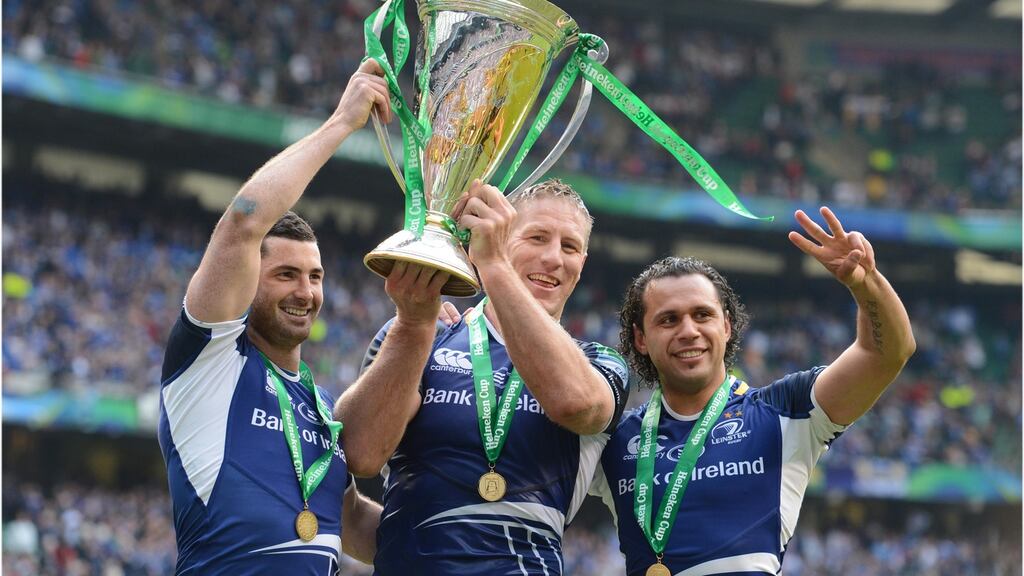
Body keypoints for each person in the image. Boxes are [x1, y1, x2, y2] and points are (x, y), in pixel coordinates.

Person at [157, 60, 391, 575]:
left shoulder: (318, 402)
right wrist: (341, 124)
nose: (305, 292)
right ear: (248, 279)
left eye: (315, 275)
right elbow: (243, 220)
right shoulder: (208, 360)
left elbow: (350, 520)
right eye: (286, 274)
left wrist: (454, 529)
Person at [591, 207, 916, 576]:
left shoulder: (786, 412)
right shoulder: (613, 436)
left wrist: (865, 283)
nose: (688, 331)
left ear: (727, 326)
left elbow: (887, 353)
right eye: (668, 319)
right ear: (641, 338)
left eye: (702, 315)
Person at [336, 179, 631, 574]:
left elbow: (575, 404)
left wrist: (492, 266)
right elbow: (361, 455)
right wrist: (412, 327)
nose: (553, 258)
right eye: (537, 237)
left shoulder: (598, 364)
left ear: (582, 265)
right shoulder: (423, 334)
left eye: (570, 247)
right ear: (502, 239)